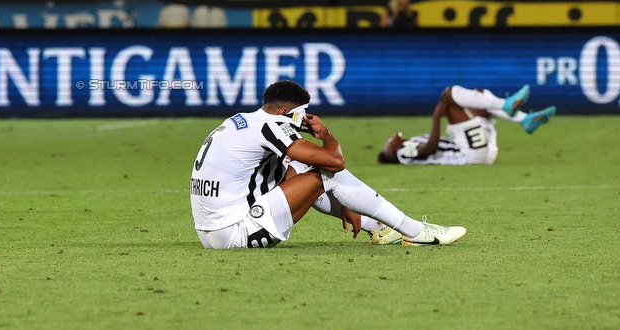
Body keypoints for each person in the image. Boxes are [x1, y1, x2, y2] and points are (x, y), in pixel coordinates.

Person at [190, 80, 467, 249]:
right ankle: (416, 231)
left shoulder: (240, 120)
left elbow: (289, 178)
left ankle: (378, 228)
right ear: (284, 112)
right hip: (237, 234)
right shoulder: (272, 125)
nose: (304, 120)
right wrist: (326, 135)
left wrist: (345, 204)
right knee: (329, 174)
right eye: (301, 115)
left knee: (300, 170)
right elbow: (335, 162)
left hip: (212, 234)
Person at [378, 85, 556, 167]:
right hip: (469, 156)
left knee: (481, 95)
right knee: (451, 93)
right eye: (390, 140)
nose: (394, 136)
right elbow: (430, 148)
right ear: (391, 149)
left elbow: (441, 147)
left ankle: (524, 120)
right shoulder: (403, 153)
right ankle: (508, 107)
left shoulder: (411, 143)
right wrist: (437, 117)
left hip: (477, 153)